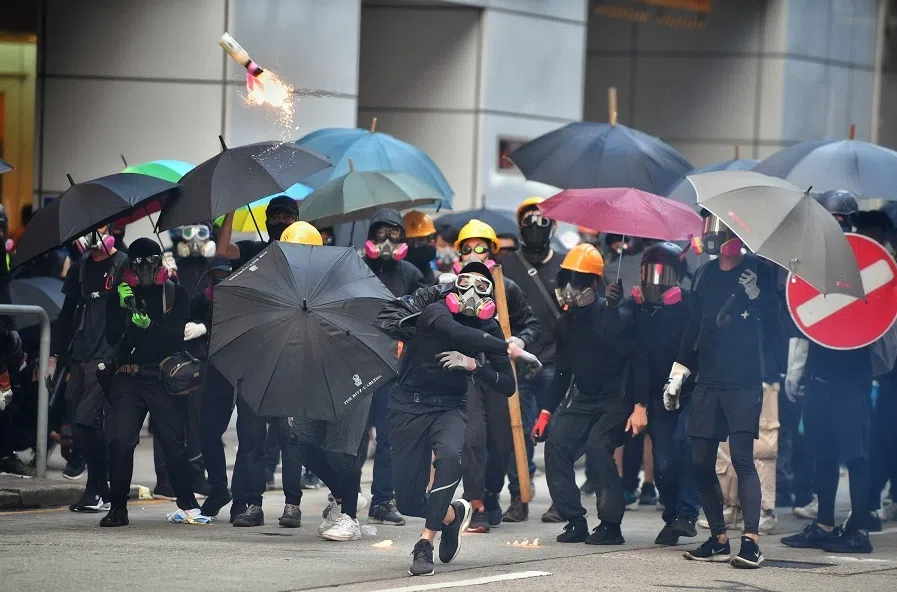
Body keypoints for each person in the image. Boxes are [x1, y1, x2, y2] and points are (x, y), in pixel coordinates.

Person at [389, 261, 540, 576]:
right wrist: (509, 348)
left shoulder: (489, 327)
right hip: (408, 406)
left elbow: (508, 385)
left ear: (490, 295)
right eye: (466, 282)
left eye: (482, 286)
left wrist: (475, 367)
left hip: (449, 407)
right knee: (406, 502)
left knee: (450, 458)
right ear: (454, 286)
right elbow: (455, 331)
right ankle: (451, 517)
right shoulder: (436, 309)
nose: (472, 291)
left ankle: (424, 545)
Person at [669, 211, 778, 568]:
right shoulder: (703, 274)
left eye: (721, 228)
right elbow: (692, 327)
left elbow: (775, 326)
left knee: (742, 458)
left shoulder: (760, 269)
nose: (714, 234)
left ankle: (751, 541)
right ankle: (718, 538)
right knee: (700, 461)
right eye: (710, 226)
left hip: (744, 380)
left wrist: (757, 295)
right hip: (708, 379)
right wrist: (678, 372)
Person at [781, 192, 878, 553]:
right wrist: (797, 370)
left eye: (841, 218)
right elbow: (802, 320)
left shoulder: (868, 260)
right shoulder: (812, 260)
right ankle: (824, 523)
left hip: (853, 374)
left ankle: (860, 531)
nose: (835, 224)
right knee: (823, 451)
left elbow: (881, 316)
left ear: (850, 221)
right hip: (821, 372)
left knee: (856, 454)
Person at [533, 243, 646, 546]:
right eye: (568, 278)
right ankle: (574, 521)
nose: (571, 288)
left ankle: (611, 525)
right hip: (583, 400)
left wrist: (639, 405)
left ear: (595, 284)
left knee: (598, 447)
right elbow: (561, 373)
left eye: (580, 280)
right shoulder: (564, 324)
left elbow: (635, 356)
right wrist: (545, 413)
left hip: (616, 400)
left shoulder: (614, 313)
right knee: (555, 445)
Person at [443, 219, 541, 531]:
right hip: (465, 376)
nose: (474, 253)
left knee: (501, 443)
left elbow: (532, 324)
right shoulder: (448, 288)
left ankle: (491, 492)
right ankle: (477, 505)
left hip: (497, 373)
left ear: (492, 252)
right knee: (472, 440)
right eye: (467, 248)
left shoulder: (506, 288)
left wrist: (519, 341)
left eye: (481, 247)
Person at [215, 196, 304, 526]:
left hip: (293, 360)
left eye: (287, 215)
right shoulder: (254, 252)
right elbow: (223, 249)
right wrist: (231, 208)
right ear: (266, 221)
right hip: (255, 359)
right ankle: (248, 504)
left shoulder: (307, 258)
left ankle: (292, 505)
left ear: (297, 219)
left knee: (290, 437)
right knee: (250, 436)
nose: (280, 219)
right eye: (274, 215)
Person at [100, 238, 200, 527]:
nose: (144, 267)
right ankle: (118, 507)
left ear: (160, 262)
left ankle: (187, 502)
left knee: (173, 443)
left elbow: (175, 339)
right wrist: (120, 308)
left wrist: (149, 325)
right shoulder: (121, 294)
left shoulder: (175, 294)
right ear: (129, 267)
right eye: (138, 263)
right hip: (128, 377)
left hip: (161, 377)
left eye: (150, 261)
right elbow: (110, 337)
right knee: (119, 441)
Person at [625, 242, 701, 546]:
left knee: (686, 447)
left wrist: (680, 382)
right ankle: (673, 514)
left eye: (663, 273)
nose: (655, 280)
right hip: (657, 397)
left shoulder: (691, 304)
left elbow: (696, 348)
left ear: (677, 277)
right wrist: (616, 305)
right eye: (649, 273)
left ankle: (687, 513)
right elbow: (636, 358)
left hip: (690, 392)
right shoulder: (639, 310)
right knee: (664, 463)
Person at [49, 226, 128, 512]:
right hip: (80, 355)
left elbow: (132, 309)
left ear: (112, 231)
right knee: (76, 425)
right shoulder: (80, 269)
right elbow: (68, 313)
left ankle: (96, 488)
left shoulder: (123, 264)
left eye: (101, 228)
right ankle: (101, 490)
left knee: (86, 423)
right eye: (89, 229)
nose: (94, 234)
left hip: (106, 356)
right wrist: (54, 356)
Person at [498, 197, 567, 523]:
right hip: (517, 361)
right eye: (529, 221)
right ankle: (519, 496)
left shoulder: (566, 265)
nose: (536, 226)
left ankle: (559, 500)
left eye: (543, 220)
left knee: (555, 433)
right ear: (520, 226)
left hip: (555, 364)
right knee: (518, 432)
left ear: (553, 226)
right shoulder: (505, 265)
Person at [361, 209, 430, 527]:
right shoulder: (355, 268)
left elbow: (428, 314)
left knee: (389, 439)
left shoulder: (412, 273)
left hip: (394, 367)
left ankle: (382, 500)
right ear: (370, 236)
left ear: (403, 238)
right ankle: (345, 498)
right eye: (381, 233)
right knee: (354, 437)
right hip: (358, 362)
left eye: (395, 234)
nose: (388, 240)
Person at [181, 256, 236, 518]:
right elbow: (185, 327)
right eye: (217, 276)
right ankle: (219, 489)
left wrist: (207, 327)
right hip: (213, 370)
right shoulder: (202, 299)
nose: (221, 281)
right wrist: (199, 328)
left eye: (226, 275)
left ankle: (246, 500)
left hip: (242, 370)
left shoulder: (244, 300)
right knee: (208, 432)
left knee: (251, 437)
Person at [403, 210, 438, 284]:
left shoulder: (431, 273)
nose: (416, 245)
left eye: (421, 239)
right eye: (411, 240)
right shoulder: (398, 274)